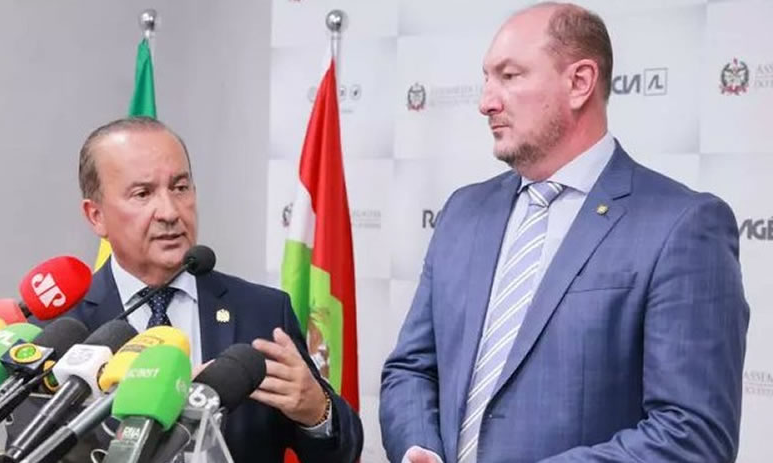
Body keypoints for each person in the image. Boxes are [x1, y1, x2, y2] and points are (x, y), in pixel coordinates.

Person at [379, 3, 749, 463]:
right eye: (487, 78)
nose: (486, 102)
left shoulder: (683, 225)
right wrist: (419, 449)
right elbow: (411, 369)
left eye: (509, 76)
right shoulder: (463, 212)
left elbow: (692, 435)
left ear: (580, 82)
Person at [55, 116, 361, 462]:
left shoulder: (263, 314)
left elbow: (341, 454)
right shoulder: (64, 333)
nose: (170, 211)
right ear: (96, 215)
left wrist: (317, 412)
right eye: (143, 194)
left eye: (180, 188)